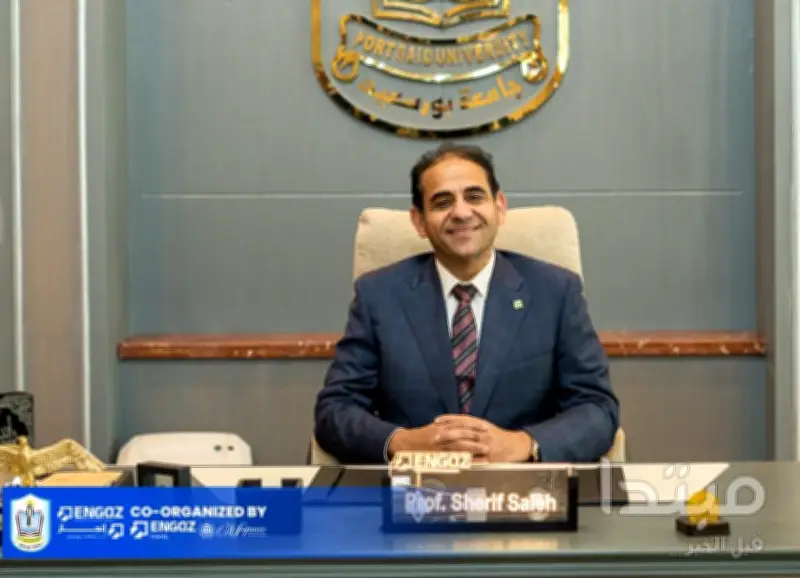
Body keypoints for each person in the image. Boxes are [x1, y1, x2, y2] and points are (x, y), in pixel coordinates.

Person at [314, 143, 619, 464]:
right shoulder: (378, 295)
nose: (461, 213)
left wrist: (523, 444)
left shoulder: (555, 291)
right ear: (419, 221)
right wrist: (403, 442)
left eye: (474, 197)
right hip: (412, 485)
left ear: (499, 207)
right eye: (442, 202)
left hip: (523, 485)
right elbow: (335, 409)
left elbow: (597, 408)